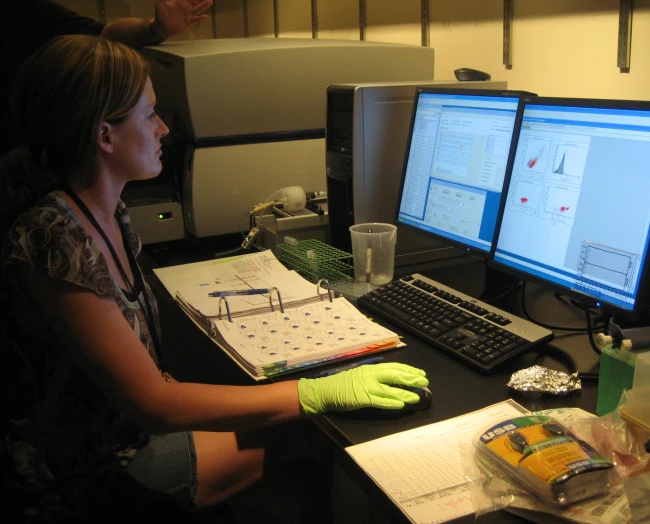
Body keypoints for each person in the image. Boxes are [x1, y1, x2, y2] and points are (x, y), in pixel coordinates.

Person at [0, 34, 430, 522]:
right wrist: (316, 391)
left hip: (117, 436)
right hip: (80, 476)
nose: (163, 128)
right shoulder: (55, 239)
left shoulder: (103, 212)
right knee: (314, 430)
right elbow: (155, 405)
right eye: (149, 115)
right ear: (104, 136)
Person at [0, 0, 217, 154]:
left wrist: (156, 28)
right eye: (149, 115)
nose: (163, 130)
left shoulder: (19, 11)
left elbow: (105, 34)